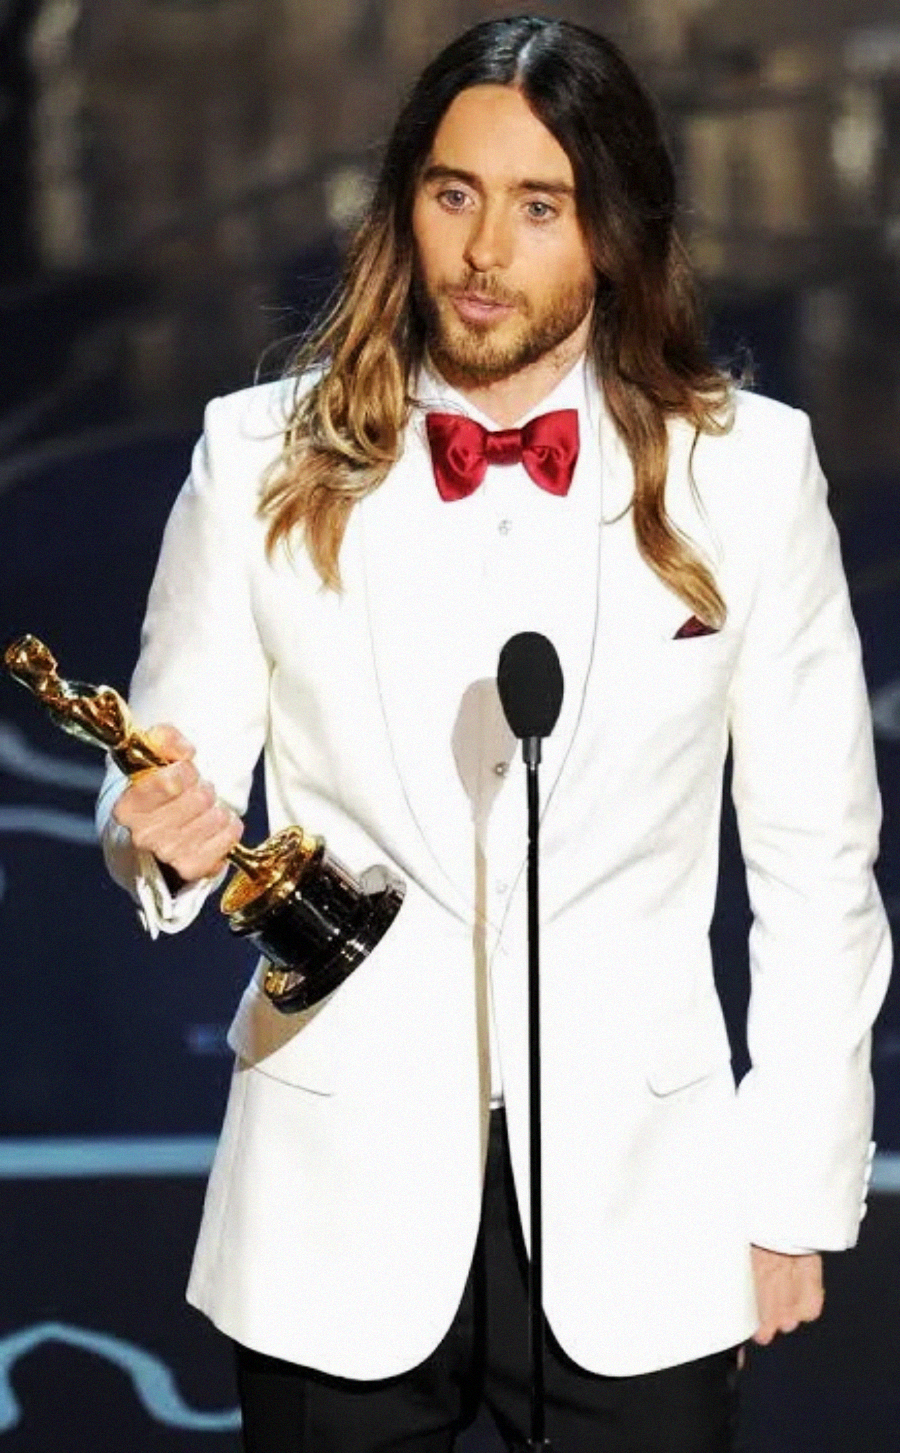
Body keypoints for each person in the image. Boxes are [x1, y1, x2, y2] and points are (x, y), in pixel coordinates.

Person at [96, 16, 891, 1453]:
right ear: (405, 202)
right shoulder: (257, 459)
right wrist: (154, 840)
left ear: (614, 229)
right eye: (454, 192)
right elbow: (169, 774)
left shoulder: (751, 474)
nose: (482, 250)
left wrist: (791, 1197)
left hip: (645, 1210)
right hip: (333, 1202)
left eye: (541, 206)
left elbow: (818, 867)